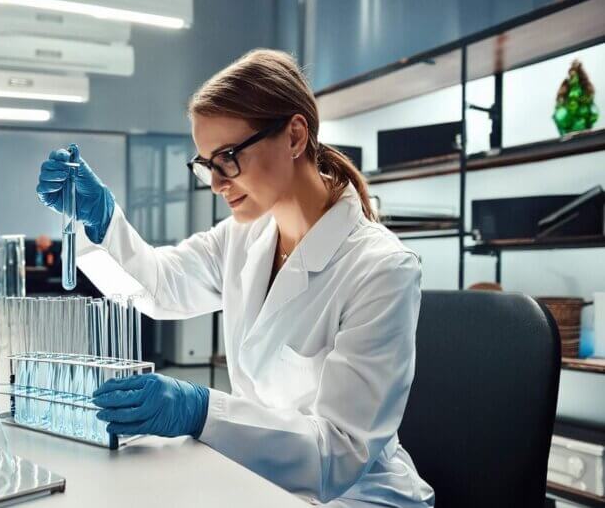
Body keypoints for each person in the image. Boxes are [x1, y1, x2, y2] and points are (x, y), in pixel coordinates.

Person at [36, 49, 435, 507]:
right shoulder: (243, 237)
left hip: (357, 497)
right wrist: (101, 220)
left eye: (227, 157)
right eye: (206, 164)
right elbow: (160, 288)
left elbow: (339, 455)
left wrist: (203, 411)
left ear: (295, 135)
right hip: (261, 482)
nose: (218, 182)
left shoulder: (380, 268)